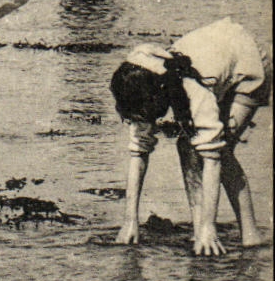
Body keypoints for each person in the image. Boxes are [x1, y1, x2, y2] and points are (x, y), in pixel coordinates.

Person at [111, 19, 269, 255]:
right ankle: (199, 231)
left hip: (250, 62)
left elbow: (212, 158)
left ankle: (250, 236)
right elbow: (138, 151)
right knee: (187, 146)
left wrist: (210, 226)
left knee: (222, 152)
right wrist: (129, 221)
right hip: (218, 52)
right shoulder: (137, 77)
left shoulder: (194, 91)